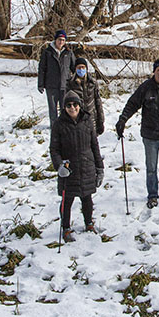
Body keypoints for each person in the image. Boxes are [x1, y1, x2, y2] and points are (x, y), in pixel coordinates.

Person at [115, 58, 159, 209]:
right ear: (154, 71)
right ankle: (152, 196)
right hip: (150, 136)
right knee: (151, 169)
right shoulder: (145, 88)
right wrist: (122, 120)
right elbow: (132, 104)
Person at [51, 91, 104, 242]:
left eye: (75, 104)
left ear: (79, 105)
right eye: (68, 105)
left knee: (87, 198)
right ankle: (66, 227)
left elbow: (94, 144)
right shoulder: (59, 124)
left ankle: (89, 223)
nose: (72, 108)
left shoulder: (87, 120)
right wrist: (59, 165)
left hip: (87, 166)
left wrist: (99, 168)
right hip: (69, 169)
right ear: (64, 107)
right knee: (67, 200)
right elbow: (54, 149)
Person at [37, 29, 76, 127]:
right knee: (53, 108)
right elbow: (42, 69)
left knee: (65, 107)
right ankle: (54, 126)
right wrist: (41, 84)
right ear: (55, 40)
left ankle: (64, 125)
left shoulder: (68, 53)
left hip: (65, 84)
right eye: (59, 39)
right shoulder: (47, 52)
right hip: (51, 85)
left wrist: (75, 81)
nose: (61, 42)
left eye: (63, 40)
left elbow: (74, 67)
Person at [67, 58, 104, 135]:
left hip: (91, 119)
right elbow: (66, 105)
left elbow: (98, 101)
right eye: (79, 67)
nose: (81, 69)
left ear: (86, 68)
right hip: (77, 120)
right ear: (75, 69)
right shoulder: (70, 84)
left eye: (83, 67)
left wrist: (101, 120)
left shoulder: (93, 83)